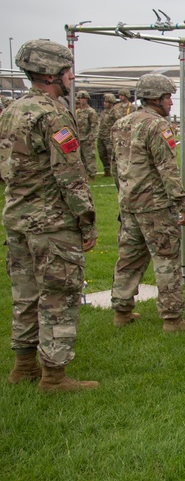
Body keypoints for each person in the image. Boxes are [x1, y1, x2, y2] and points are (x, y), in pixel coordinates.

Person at [1, 39, 98, 392]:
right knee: (59, 295)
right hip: (52, 223)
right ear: (52, 73)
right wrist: (86, 221)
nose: (72, 76)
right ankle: (54, 376)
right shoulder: (54, 113)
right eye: (67, 70)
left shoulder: (13, 109)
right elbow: (70, 175)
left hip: (17, 219)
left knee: (25, 294)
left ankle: (23, 366)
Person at [110, 74, 185, 332]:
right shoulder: (157, 126)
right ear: (156, 98)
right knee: (166, 258)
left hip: (129, 204)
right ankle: (172, 318)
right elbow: (167, 169)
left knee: (128, 258)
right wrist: (182, 205)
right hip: (155, 207)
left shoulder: (121, 123)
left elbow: (116, 167)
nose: (171, 102)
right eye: (168, 97)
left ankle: (121, 310)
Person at [74, 91, 100, 180]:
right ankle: (83, 174)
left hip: (87, 138)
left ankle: (92, 175)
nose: (82, 100)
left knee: (89, 157)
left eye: (84, 98)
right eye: (80, 98)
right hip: (78, 138)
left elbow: (94, 125)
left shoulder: (91, 111)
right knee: (80, 158)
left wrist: (91, 138)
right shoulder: (77, 112)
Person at [97, 92, 117, 177]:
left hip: (109, 137)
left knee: (111, 155)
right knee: (102, 154)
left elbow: (118, 124)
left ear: (111, 102)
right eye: (104, 101)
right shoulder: (103, 112)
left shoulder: (115, 112)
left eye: (106, 102)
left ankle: (114, 172)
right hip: (101, 136)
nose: (104, 103)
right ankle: (106, 170)